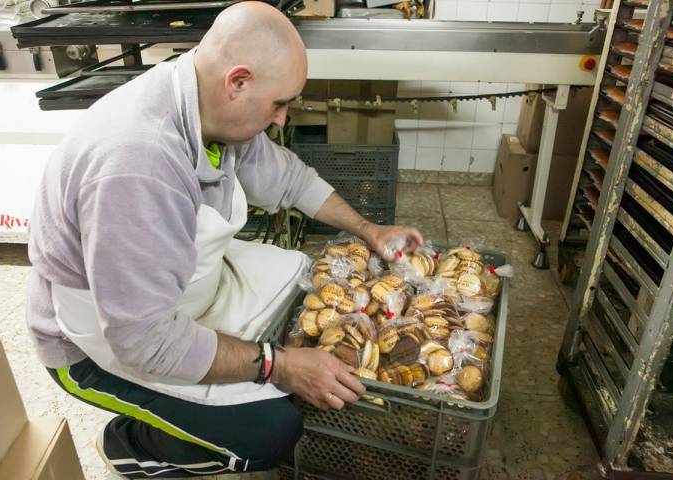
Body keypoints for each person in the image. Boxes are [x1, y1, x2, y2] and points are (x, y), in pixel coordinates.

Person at [26, 1, 423, 478]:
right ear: (237, 81)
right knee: (267, 431)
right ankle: (132, 445)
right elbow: (144, 340)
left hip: (174, 290)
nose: (282, 119)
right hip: (94, 341)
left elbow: (289, 180)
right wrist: (281, 364)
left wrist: (369, 229)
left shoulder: (202, 99)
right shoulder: (139, 166)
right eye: (279, 103)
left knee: (298, 277)